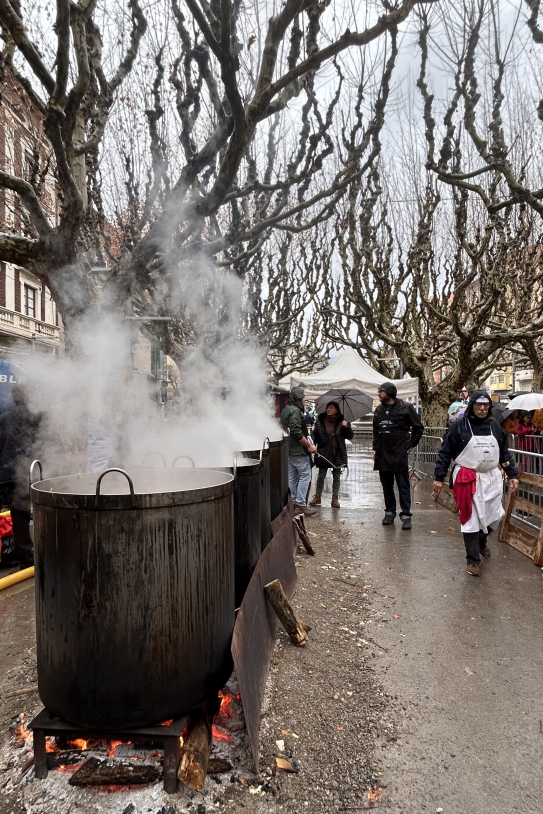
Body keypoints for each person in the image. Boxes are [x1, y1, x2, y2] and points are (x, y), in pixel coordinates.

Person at [433, 390, 519, 577]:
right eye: (478, 405)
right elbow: (445, 453)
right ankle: (473, 560)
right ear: (472, 405)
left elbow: (504, 453)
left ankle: (481, 539)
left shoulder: (495, 427)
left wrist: (513, 474)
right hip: (467, 479)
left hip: (491, 478)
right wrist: (439, 478)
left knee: (494, 516)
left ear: (489, 407)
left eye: (485, 405)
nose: (482, 408)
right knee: (471, 519)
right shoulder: (458, 426)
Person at [0, 384, 41, 568]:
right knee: (42, 510)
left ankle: (24, 554)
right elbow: (45, 443)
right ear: (29, 396)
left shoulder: (4, 418)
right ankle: (39, 553)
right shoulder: (37, 415)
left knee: (19, 516)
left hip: (10, 474)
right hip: (31, 471)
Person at [373, 382, 424, 530]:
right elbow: (375, 432)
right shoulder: (378, 410)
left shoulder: (405, 408)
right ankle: (389, 512)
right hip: (383, 454)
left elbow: (418, 427)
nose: (379, 394)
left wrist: (410, 444)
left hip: (398, 453)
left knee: (403, 485)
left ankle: (406, 514)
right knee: (386, 485)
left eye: (381, 391)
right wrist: (375, 450)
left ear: (389, 392)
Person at [309, 401, 354, 509]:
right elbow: (315, 435)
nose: (329, 409)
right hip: (324, 452)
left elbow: (350, 436)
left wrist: (346, 427)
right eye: (328, 407)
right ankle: (318, 496)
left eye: (332, 408)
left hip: (337, 452)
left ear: (337, 410)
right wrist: (312, 445)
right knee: (321, 476)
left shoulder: (342, 421)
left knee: (337, 476)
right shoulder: (320, 421)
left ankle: (335, 499)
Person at [280, 387, 317, 516]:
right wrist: (309, 446)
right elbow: (296, 431)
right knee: (305, 476)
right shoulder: (296, 411)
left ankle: (293, 503)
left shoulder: (286, 410)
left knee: (292, 478)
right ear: (298, 398)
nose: (305, 399)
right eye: (303, 397)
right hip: (298, 451)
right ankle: (300, 504)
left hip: (288, 449)